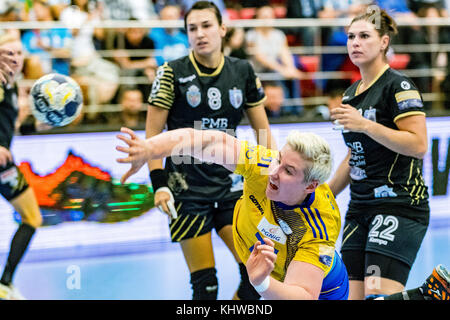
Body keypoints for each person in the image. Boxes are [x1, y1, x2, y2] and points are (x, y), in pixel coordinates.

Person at [115, 126, 349, 300]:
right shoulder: (263, 164)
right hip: (267, 260)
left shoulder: (319, 226)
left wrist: (261, 283)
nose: (274, 172)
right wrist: (150, 149)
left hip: (323, 290)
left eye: (288, 170)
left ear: (310, 186)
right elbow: (207, 142)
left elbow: (304, 294)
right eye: (278, 160)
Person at [145, 1, 276, 300]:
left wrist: (275, 177)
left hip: (232, 187)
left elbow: (263, 134)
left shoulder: (242, 70)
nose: (200, 34)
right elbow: (152, 137)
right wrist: (159, 186)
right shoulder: (171, 73)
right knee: (206, 287)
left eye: (206, 26)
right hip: (186, 192)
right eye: (192, 28)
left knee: (256, 277)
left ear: (222, 29)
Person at [328, 8, 431, 300]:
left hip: (398, 204)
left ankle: (430, 294)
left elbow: (418, 145)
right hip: (360, 208)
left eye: (364, 36)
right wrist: (325, 193)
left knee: (377, 297)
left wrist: (365, 125)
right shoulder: (350, 93)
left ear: (384, 42)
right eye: (351, 37)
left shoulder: (398, 86)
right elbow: (354, 155)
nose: (355, 43)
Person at [0, 34, 43, 300]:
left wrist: (40, 125)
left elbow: (7, 127)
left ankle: (5, 283)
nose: (14, 59)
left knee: (32, 218)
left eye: (18, 54)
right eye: (8, 54)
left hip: (4, 166)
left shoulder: (12, 86)